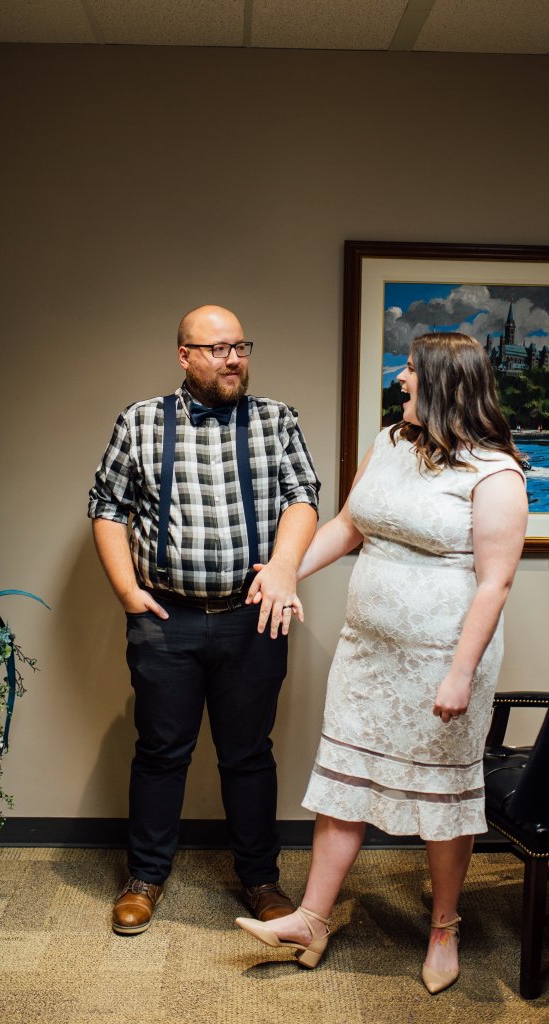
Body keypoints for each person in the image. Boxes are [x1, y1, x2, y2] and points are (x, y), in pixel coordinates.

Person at [236, 332, 528, 994]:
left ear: (446, 384)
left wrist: (459, 673)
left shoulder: (495, 473)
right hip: (366, 652)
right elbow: (346, 525)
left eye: (410, 372)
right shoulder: (391, 443)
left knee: (440, 797)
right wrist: (285, 573)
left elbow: (494, 584)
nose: (400, 380)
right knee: (344, 781)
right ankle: (311, 919)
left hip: (442, 660)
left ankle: (444, 927)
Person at [88, 304, 320, 935]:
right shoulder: (141, 421)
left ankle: (261, 880)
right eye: (216, 348)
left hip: (253, 617)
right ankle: (145, 878)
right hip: (168, 620)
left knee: (249, 755)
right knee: (161, 751)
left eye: (240, 345)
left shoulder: (276, 420)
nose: (233, 358)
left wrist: (283, 567)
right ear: (184, 356)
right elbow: (107, 506)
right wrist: (128, 591)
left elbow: (303, 498)